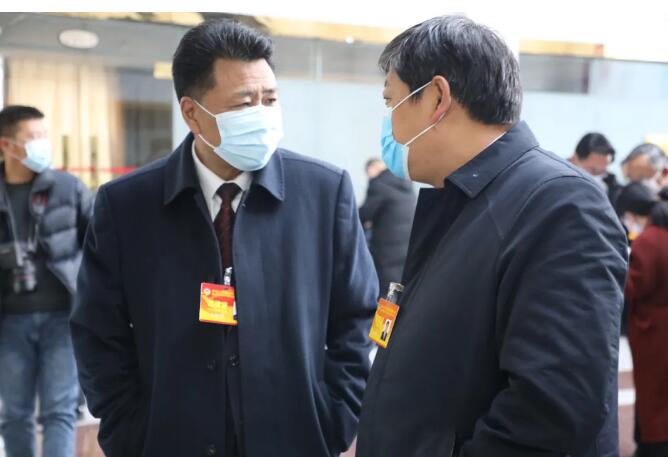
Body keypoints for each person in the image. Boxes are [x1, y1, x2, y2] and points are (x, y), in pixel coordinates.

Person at [70, 19, 377, 457]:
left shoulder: (324, 192)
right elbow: (98, 331)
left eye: (270, 99)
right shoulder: (126, 205)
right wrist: (130, 430)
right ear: (192, 113)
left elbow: (356, 317)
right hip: (170, 441)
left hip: (295, 438)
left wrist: (334, 417)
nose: (262, 113)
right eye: (244, 103)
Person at [356, 15, 627, 457]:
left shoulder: (560, 205)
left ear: (437, 97)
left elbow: (552, 411)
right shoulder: (465, 199)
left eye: (392, 102)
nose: (389, 124)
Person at [0, 105, 92, 457]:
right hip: (9, 321)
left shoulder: (69, 188)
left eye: (44, 135)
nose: (43, 144)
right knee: (14, 414)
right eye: (33, 137)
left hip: (63, 318)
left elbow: (98, 245)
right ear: (6, 145)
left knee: (60, 410)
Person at [623, 184, 668, 457]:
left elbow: (634, 286)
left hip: (652, 329)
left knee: (652, 392)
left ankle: (653, 444)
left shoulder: (648, 240)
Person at [359, 158, 415, 292]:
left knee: (384, 288)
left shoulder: (379, 184)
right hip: (406, 246)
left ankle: (384, 307)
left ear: (372, 169)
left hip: (386, 249)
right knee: (396, 288)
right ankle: (396, 306)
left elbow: (364, 214)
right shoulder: (406, 184)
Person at [570, 132, 622, 205]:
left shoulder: (614, 189)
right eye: (592, 170)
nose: (599, 177)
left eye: (603, 171)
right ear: (574, 159)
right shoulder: (558, 182)